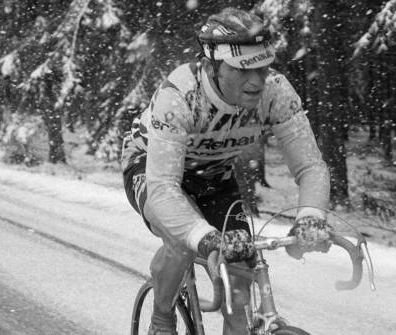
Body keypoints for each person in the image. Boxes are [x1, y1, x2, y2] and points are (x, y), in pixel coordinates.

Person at [122, 7, 332, 335]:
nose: (258, 80)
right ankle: (161, 319)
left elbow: (310, 166)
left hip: (215, 174)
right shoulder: (179, 94)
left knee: (241, 271)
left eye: (263, 66)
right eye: (243, 69)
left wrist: (311, 215)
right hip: (151, 167)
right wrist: (202, 238)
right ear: (211, 66)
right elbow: (163, 186)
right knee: (182, 244)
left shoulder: (276, 90)